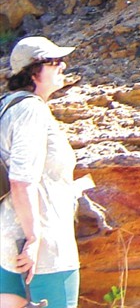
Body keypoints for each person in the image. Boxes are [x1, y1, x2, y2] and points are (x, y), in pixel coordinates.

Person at [0, 36, 79, 308]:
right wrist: (34, 239)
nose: (63, 66)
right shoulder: (31, 111)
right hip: (43, 255)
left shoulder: (6, 106)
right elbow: (21, 181)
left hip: (7, 245)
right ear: (34, 71)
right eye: (54, 62)